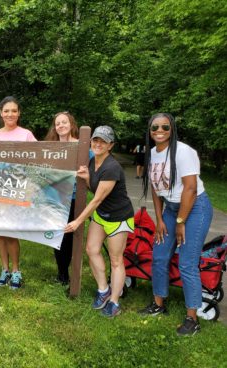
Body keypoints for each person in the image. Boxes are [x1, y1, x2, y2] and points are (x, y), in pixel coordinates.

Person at [138, 113, 213, 336]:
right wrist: (160, 219)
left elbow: (190, 188)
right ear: (149, 131)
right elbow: (155, 188)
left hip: (195, 207)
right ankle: (159, 304)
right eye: (154, 127)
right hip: (170, 209)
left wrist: (180, 222)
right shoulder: (151, 154)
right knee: (160, 255)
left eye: (164, 127)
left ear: (172, 129)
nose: (159, 131)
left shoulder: (183, 151)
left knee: (187, 263)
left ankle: (192, 318)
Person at [65, 125, 134, 317]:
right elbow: (95, 190)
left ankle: (114, 302)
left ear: (110, 145)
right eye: (95, 140)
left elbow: (97, 199)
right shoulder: (92, 161)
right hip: (102, 215)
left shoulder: (112, 167)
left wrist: (78, 221)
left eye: (103, 141)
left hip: (119, 217)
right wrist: (87, 179)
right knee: (92, 249)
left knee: (116, 260)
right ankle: (103, 290)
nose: (98, 144)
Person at [0, 96, 37, 289]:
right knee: (0, 232)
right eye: (6, 111)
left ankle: (16, 271)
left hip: (17, 190)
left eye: (14, 111)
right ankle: (4, 269)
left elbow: (38, 160)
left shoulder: (26, 135)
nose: (10, 114)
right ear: (0, 113)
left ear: (19, 113)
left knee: (12, 232)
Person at [44, 112, 79, 285]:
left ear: (71, 124)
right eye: (58, 123)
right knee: (57, 235)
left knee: (69, 236)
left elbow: (92, 169)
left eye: (64, 122)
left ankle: (70, 273)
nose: (61, 126)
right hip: (55, 199)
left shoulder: (80, 147)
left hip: (72, 199)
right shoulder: (52, 148)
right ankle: (62, 274)